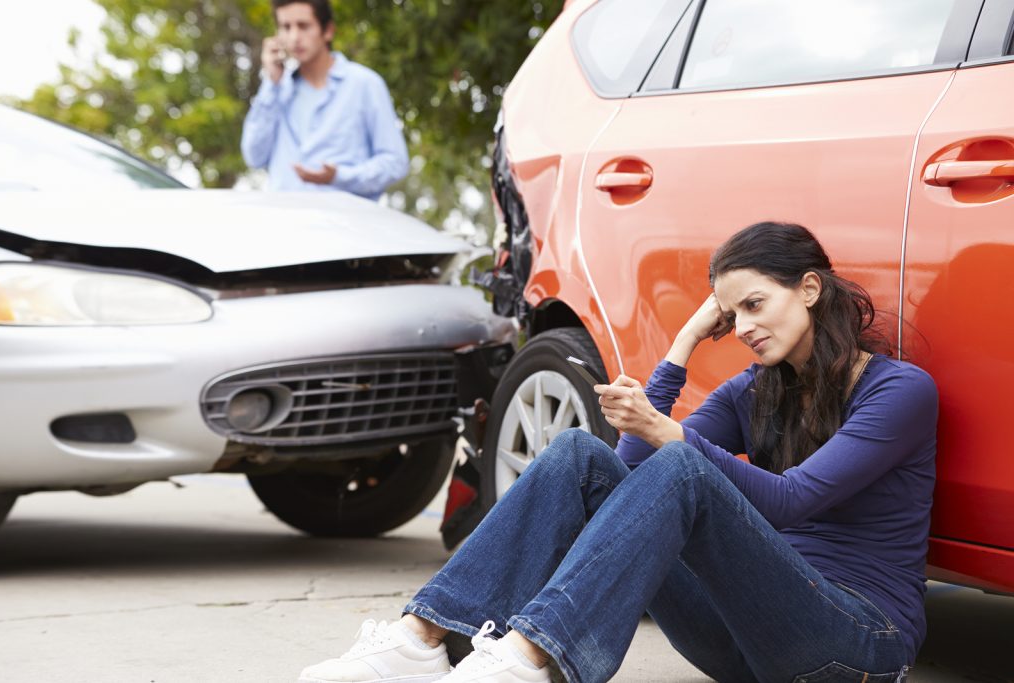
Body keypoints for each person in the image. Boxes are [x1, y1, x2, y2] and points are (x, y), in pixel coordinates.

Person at [297, 222, 937, 683]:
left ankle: (527, 656)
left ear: (809, 289)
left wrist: (668, 434)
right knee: (579, 454)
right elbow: (627, 478)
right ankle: (423, 638)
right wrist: (682, 345)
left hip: (854, 644)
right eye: (729, 313)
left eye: (754, 304)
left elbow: (794, 502)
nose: (741, 328)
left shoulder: (898, 391)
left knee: (682, 461)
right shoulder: (757, 390)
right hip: (745, 641)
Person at [241, 0, 408, 199]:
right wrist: (272, 84)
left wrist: (339, 176)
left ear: (327, 30)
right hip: (287, 223)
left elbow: (395, 162)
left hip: (347, 224)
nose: (294, 37)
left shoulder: (364, 85)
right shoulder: (277, 90)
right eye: (286, 27)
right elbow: (254, 157)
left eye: (303, 26)